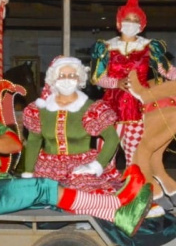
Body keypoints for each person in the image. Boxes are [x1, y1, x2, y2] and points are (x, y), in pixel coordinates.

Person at [0, 65, 152, 237]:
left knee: (56, 196)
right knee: (44, 186)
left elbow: (15, 144)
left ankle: (116, 215)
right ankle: (117, 206)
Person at [90, 0, 176, 207]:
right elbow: (96, 78)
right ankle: (101, 197)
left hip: (140, 105)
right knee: (105, 152)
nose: (131, 25)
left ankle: (139, 195)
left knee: (137, 152)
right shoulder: (106, 47)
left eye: (135, 21)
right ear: (119, 23)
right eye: (127, 20)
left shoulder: (150, 46)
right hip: (112, 105)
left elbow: (166, 70)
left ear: (142, 25)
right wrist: (115, 82)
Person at [22, 56, 122, 193]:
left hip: (81, 166)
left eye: (72, 75)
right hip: (49, 167)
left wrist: (96, 165)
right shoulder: (40, 109)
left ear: (79, 79)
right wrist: (28, 172)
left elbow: (112, 138)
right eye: (62, 75)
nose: (67, 79)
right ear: (53, 79)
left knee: (81, 190)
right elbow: (34, 141)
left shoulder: (91, 108)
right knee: (43, 193)